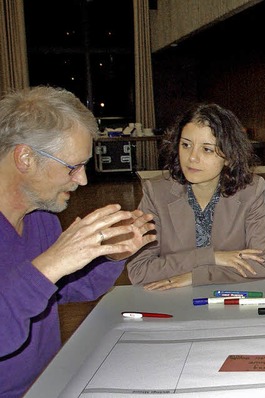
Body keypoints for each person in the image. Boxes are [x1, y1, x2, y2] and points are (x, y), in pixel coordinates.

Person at [0, 86, 156, 397]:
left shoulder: (40, 218)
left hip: (48, 383)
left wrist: (110, 255)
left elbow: (67, 289)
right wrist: (49, 263)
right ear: (25, 158)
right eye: (73, 167)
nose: (82, 179)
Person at [126, 103, 265, 289]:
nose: (192, 157)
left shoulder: (250, 192)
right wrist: (211, 257)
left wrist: (195, 276)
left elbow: (264, 265)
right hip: (172, 303)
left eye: (206, 149)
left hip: (229, 301)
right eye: (186, 145)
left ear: (229, 156)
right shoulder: (157, 193)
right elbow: (139, 271)